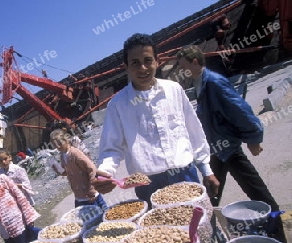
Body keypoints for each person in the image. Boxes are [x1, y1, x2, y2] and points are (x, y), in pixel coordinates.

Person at [93, 33, 219, 209]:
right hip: (148, 184)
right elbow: (112, 148)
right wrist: (105, 173)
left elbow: (193, 131)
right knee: (162, 233)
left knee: (199, 226)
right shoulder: (118, 104)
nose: (142, 68)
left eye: (147, 60)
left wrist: (206, 170)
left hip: (185, 174)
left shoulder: (174, 90)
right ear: (126, 67)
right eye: (135, 62)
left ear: (157, 61)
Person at [176, 45, 280, 211]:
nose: (182, 71)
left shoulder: (213, 83)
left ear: (194, 62)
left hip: (227, 147)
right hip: (216, 149)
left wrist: (253, 138)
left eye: (183, 67)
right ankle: (207, 226)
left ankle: (275, 225)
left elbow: (239, 110)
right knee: (210, 193)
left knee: (256, 191)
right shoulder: (200, 83)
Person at [50, 129, 108, 211]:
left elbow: (92, 169)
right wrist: (56, 168)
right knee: (84, 220)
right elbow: (67, 172)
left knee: (103, 215)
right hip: (79, 197)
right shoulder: (63, 156)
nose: (58, 147)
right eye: (55, 145)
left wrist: (92, 191)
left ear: (66, 140)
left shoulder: (75, 153)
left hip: (90, 195)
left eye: (60, 143)